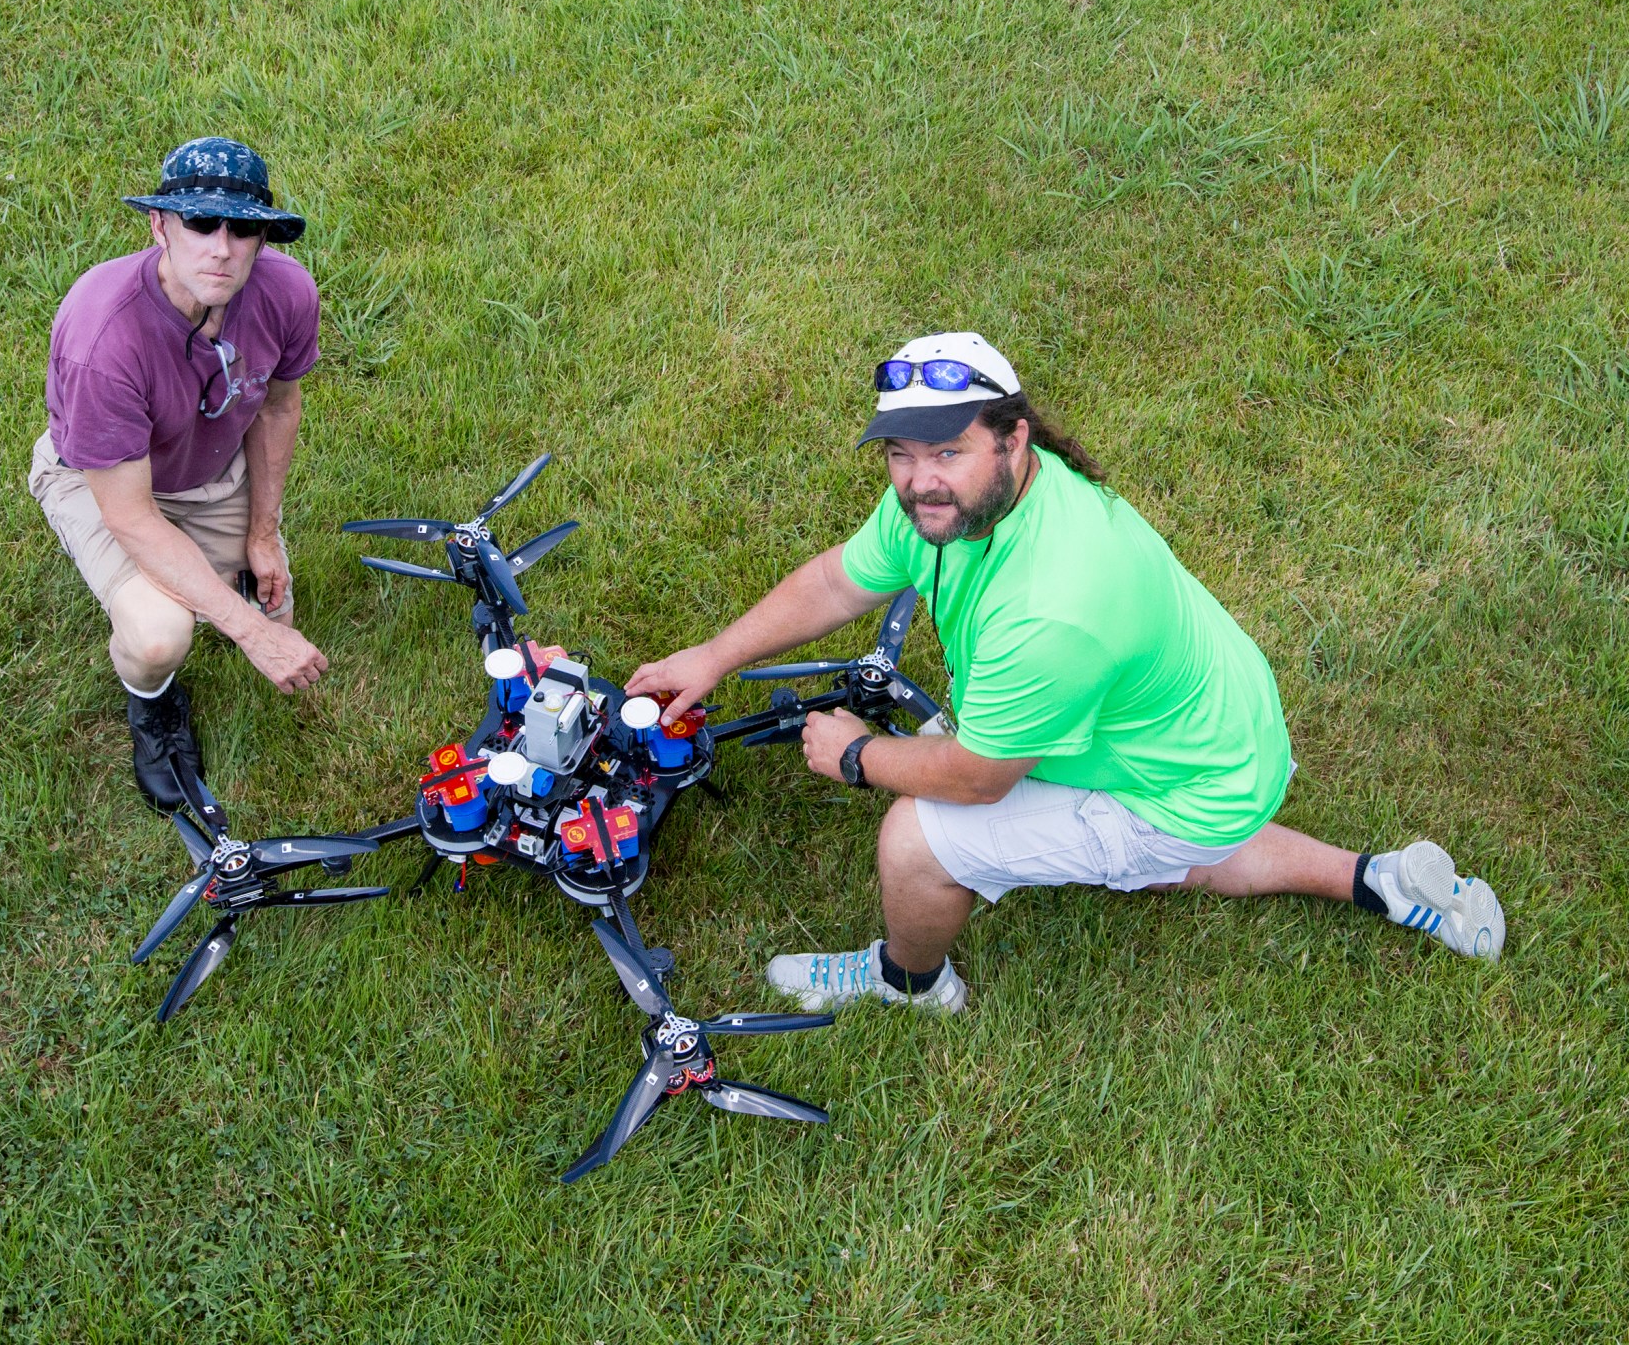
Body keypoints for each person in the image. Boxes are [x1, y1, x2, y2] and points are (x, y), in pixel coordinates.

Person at [627, 332, 1505, 1014]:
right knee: (1182, 851)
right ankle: (1379, 880)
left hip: (1189, 785)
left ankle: (909, 984)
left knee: (916, 839)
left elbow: (974, 778)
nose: (919, 482)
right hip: (1220, 749)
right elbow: (835, 580)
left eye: (946, 453)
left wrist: (855, 754)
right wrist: (712, 656)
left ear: (1014, 437)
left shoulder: (1054, 608)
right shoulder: (965, 503)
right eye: (901, 454)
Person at [29, 137, 328, 811]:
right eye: (200, 223)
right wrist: (251, 636)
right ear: (160, 225)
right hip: (105, 482)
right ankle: (154, 710)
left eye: (243, 228)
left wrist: (262, 531)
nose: (221, 248)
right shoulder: (103, 338)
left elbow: (279, 406)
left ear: (261, 238)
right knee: (163, 634)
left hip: (210, 463)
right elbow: (131, 515)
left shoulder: (286, 293)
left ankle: (225, 574)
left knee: (277, 598)